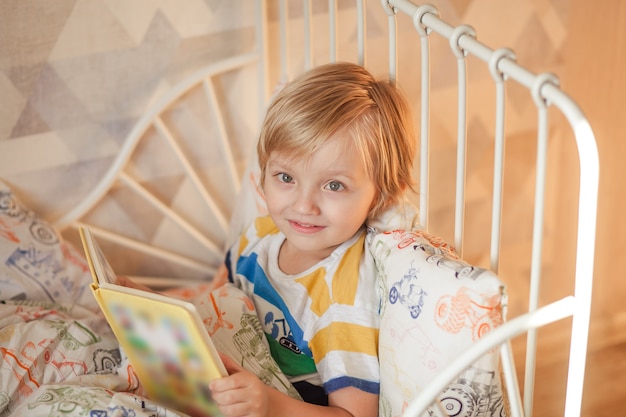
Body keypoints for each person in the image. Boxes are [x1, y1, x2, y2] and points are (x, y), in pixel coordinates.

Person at [209, 61, 416, 417]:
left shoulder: (343, 300)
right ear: (262, 175)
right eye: (285, 177)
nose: (303, 206)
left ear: (381, 197)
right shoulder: (260, 236)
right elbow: (215, 299)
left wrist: (269, 404)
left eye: (334, 185)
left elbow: (353, 415)